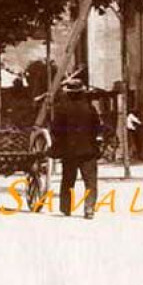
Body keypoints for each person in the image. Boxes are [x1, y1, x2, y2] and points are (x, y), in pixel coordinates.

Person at [49, 74, 102, 218]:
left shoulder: (62, 109)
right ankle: (89, 209)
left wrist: (59, 144)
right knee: (90, 182)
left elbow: (55, 129)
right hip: (88, 151)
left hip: (69, 151)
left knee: (68, 180)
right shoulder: (90, 108)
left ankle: (66, 208)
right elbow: (98, 128)